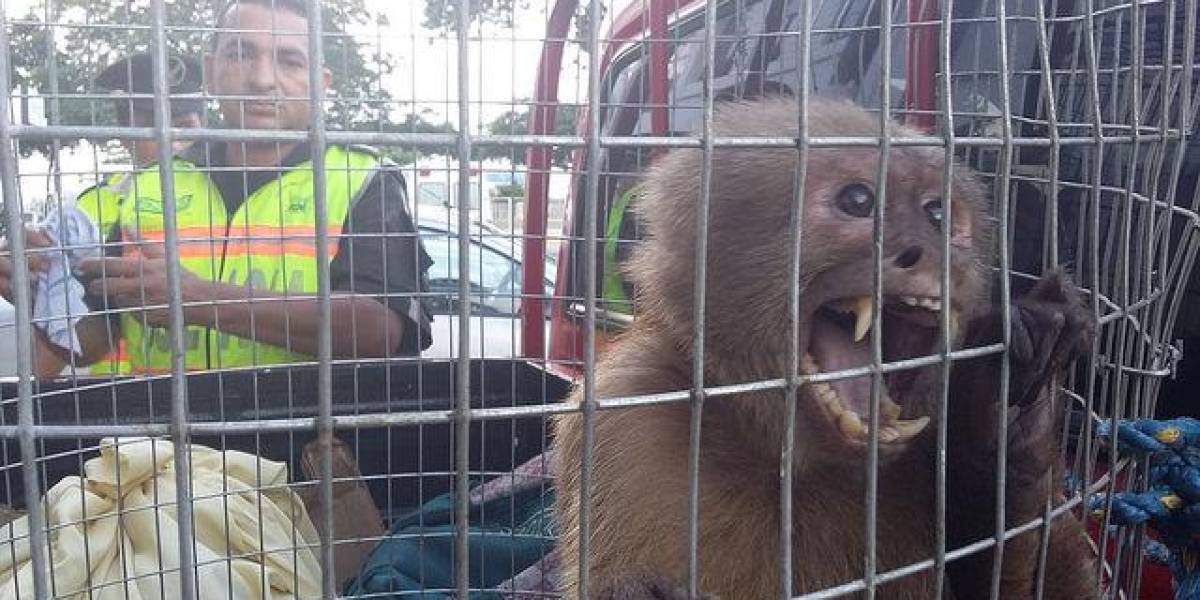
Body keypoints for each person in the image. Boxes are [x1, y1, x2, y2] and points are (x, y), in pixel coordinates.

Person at [0, 0, 432, 376]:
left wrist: (196, 297)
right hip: (165, 456)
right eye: (241, 53)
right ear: (210, 71)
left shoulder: (362, 181)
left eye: (290, 60)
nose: (262, 79)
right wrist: (43, 298)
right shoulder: (151, 186)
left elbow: (382, 331)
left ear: (320, 83)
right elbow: (93, 341)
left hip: (306, 455)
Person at [74, 51, 206, 375]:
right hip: (118, 402)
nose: (171, 139)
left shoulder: (230, 193)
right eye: (152, 127)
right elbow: (52, 360)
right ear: (123, 133)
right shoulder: (88, 209)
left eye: (185, 125)